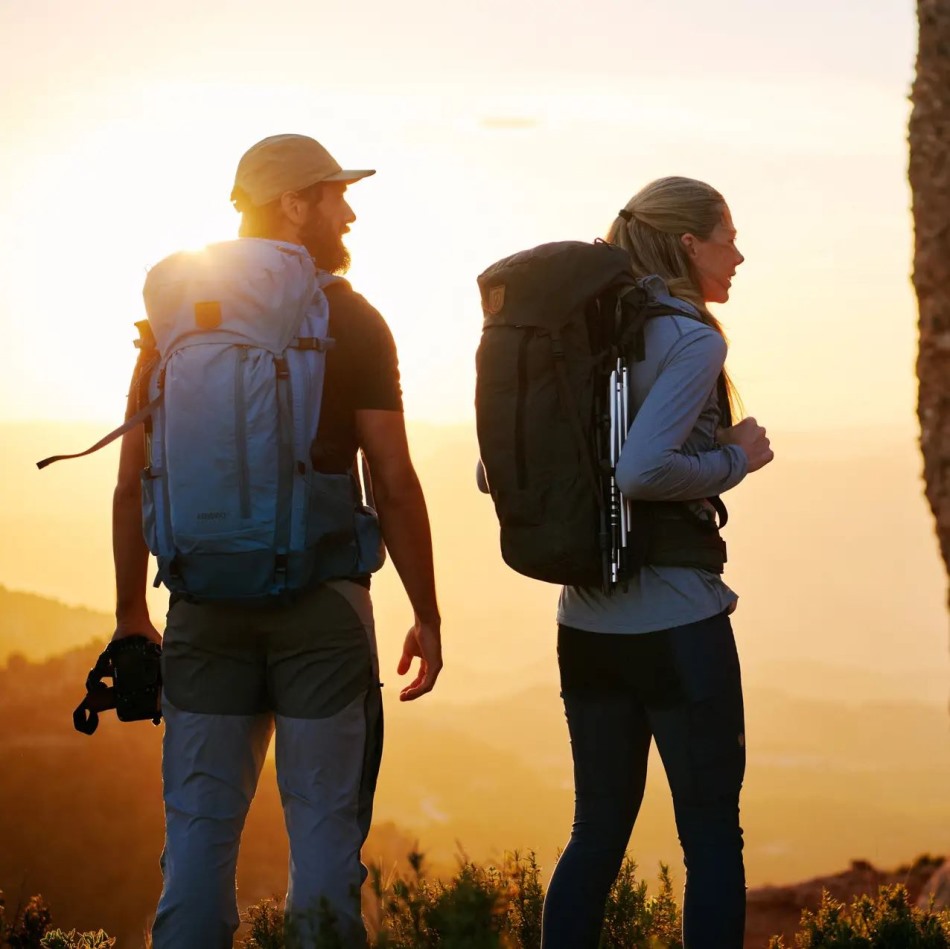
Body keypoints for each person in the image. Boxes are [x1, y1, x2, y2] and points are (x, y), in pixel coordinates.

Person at [111, 133, 443, 948]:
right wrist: (428, 614)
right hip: (320, 611)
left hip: (201, 607)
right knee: (326, 841)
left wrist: (129, 611)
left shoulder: (176, 322)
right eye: (334, 194)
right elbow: (394, 481)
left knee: (195, 839)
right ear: (295, 204)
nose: (349, 211)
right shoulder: (352, 319)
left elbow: (130, 480)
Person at [539, 177, 773, 948]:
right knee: (710, 835)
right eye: (728, 236)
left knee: (595, 833)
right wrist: (735, 458)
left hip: (587, 623)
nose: (738, 254)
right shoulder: (691, 338)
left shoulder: (582, 328)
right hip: (678, 623)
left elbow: (501, 469)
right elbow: (644, 471)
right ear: (688, 245)